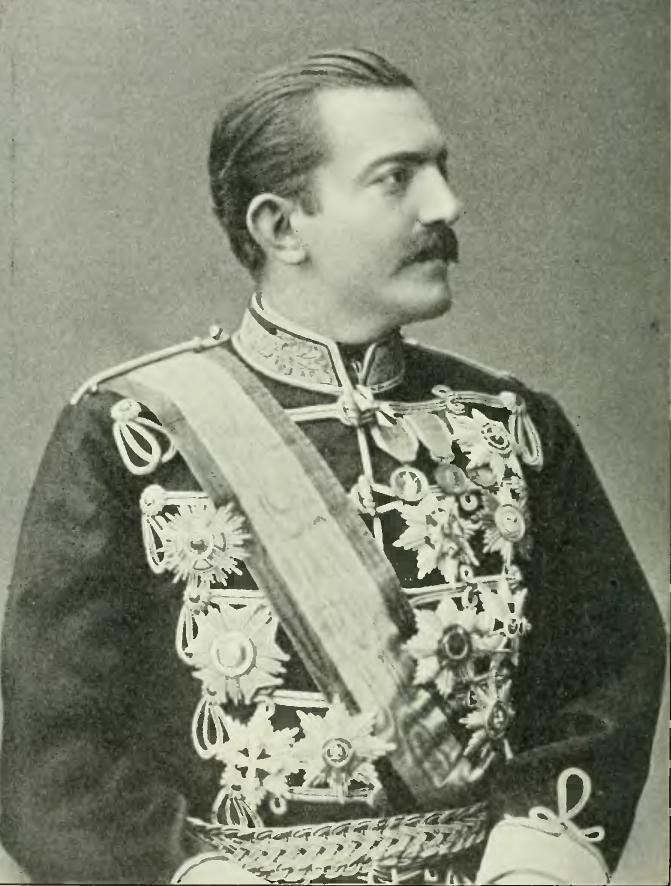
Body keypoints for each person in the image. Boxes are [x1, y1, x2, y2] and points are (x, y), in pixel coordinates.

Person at [0, 49, 664, 885]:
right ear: (281, 228)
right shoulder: (129, 433)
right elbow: (55, 757)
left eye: (441, 169)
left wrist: (539, 865)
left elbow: (604, 674)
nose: (446, 205)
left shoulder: (513, 423)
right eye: (397, 178)